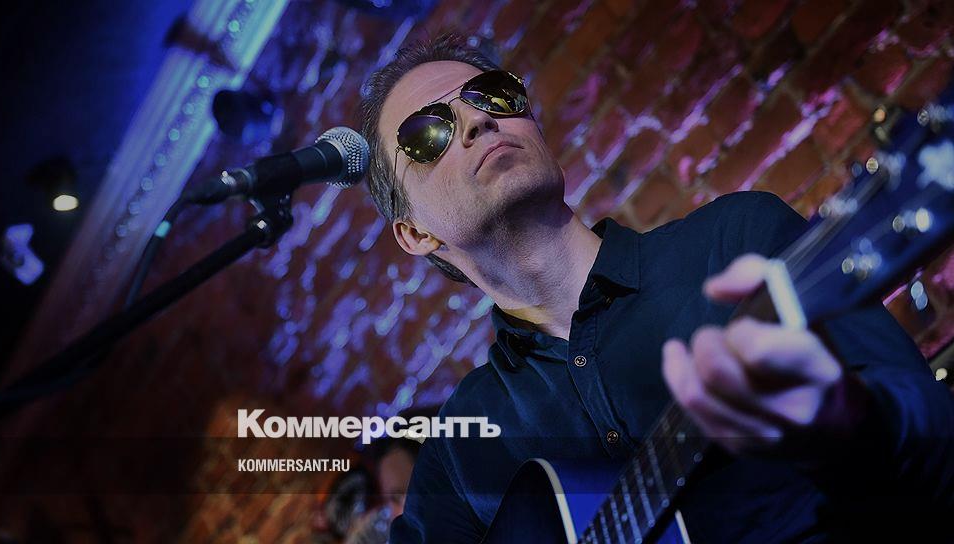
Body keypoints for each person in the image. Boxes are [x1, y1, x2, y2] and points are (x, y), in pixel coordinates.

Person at [356, 31, 954, 542]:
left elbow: (939, 440)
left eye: (492, 94)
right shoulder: (459, 456)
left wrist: (847, 421)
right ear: (414, 233)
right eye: (427, 132)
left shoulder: (735, 240)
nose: (478, 120)